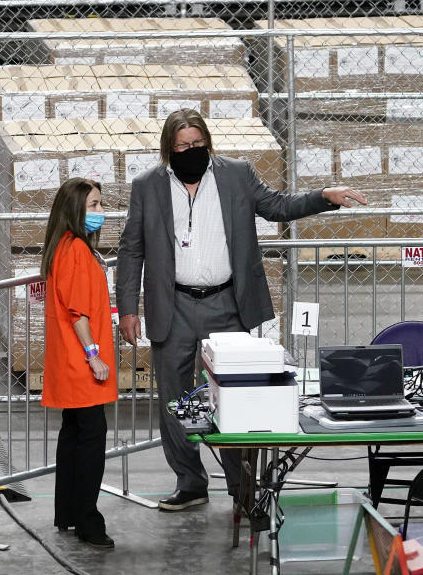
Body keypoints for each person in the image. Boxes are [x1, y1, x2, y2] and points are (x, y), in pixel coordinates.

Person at [116, 108, 367, 511]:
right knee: (175, 402)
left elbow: (278, 206)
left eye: (197, 144)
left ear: (208, 143)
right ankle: (191, 483)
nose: (191, 151)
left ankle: (242, 489)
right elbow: (132, 249)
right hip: (173, 305)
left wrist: (323, 198)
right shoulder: (147, 185)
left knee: (234, 401)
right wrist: (126, 308)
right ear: (168, 149)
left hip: (226, 303)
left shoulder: (236, 174)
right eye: (182, 146)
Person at [40, 177, 117, 548]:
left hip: (67, 361)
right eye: (95, 206)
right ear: (75, 211)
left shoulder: (65, 247)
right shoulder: (75, 251)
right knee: (91, 437)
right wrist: (94, 357)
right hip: (80, 361)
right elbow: (78, 312)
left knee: (72, 434)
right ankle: (89, 520)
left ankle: (67, 512)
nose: (102, 212)